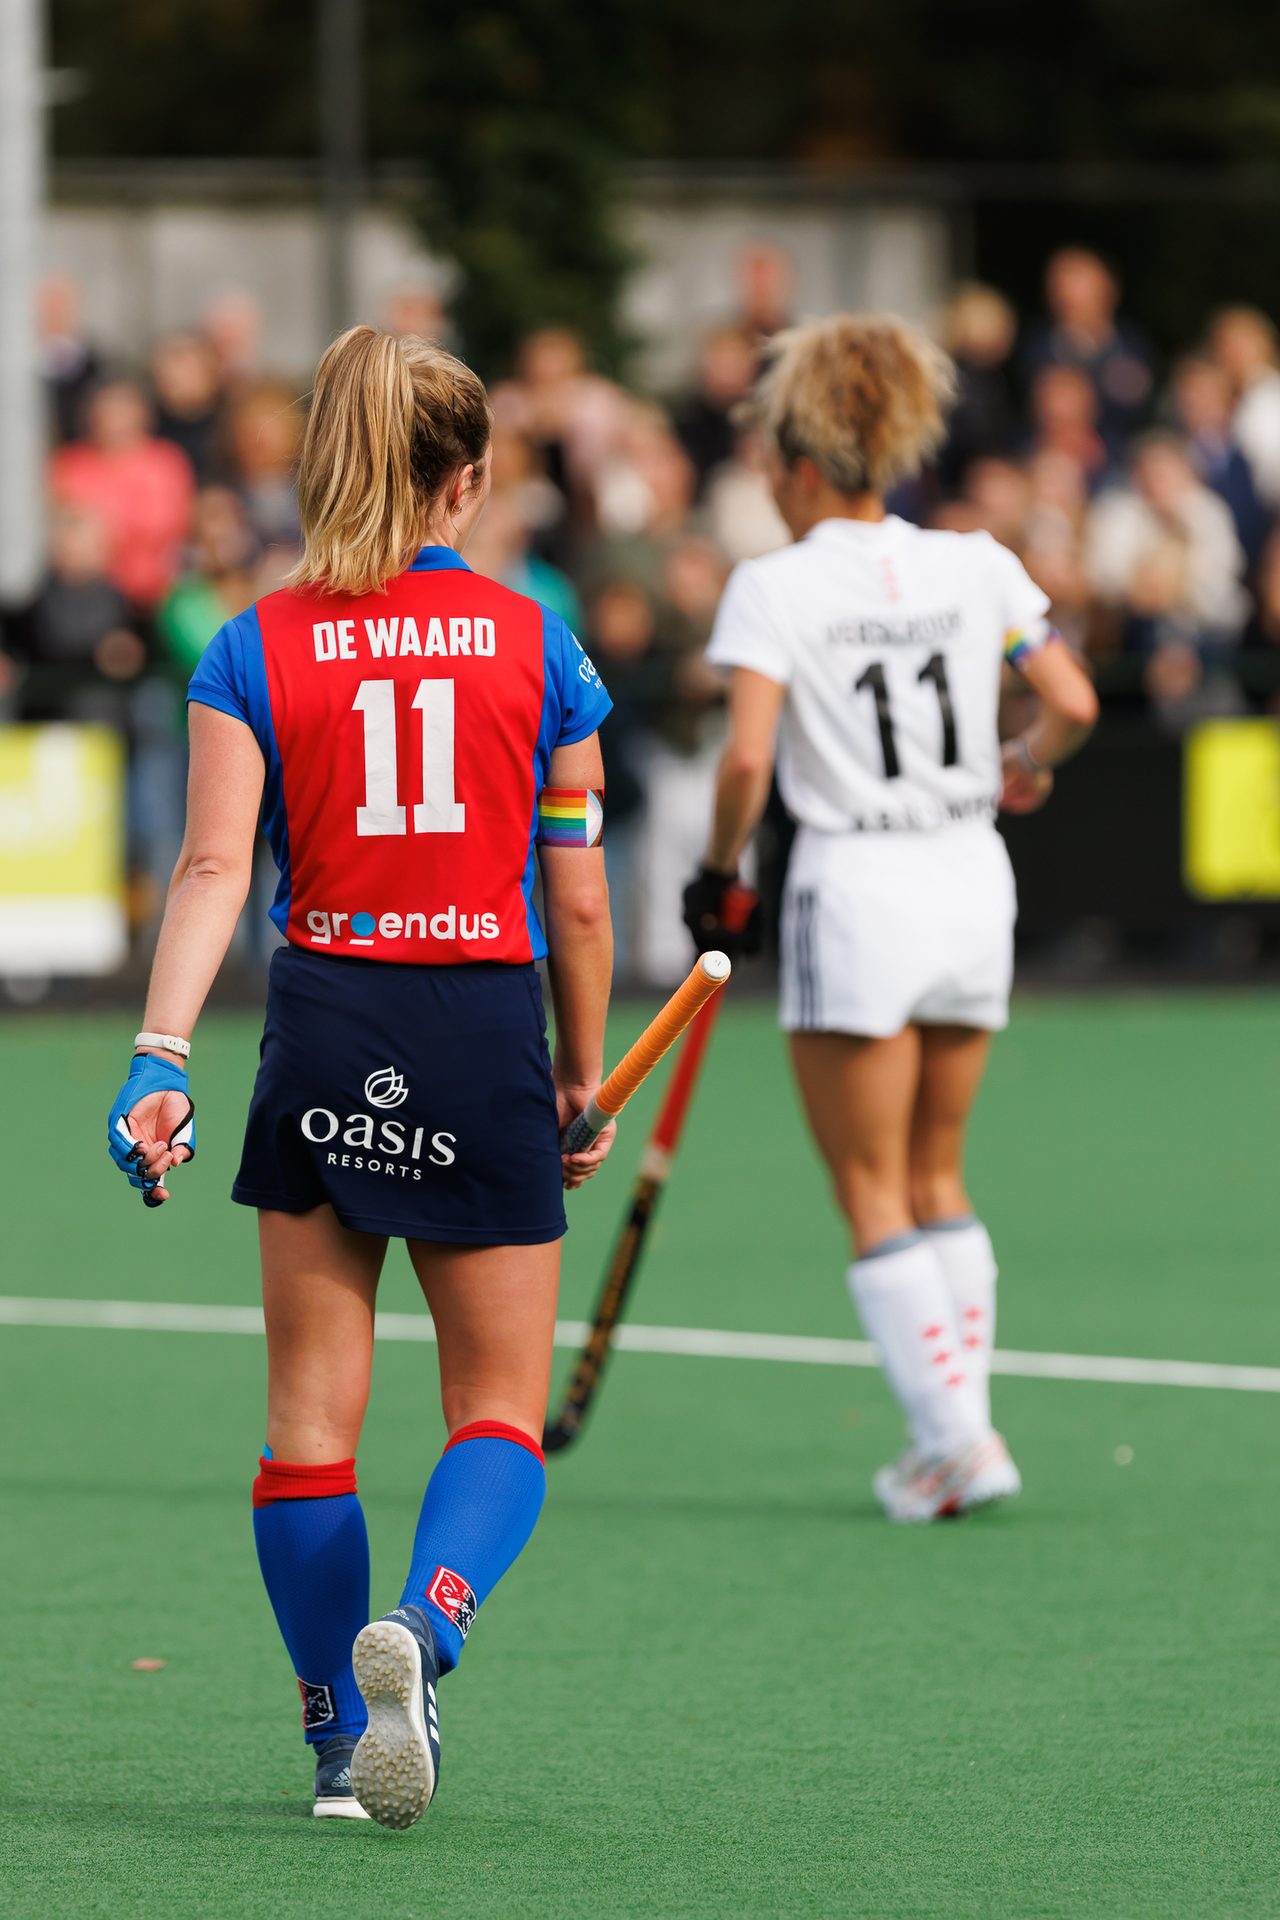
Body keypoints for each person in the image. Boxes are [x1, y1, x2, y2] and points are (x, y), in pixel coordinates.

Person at [106, 326, 615, 1829]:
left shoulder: (248, 643)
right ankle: (431, 1625)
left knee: (307, 1424)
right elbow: (578, 895)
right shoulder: (541, 645)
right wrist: (580, 1077)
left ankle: (339, 1740)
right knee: (498, 1411)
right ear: (465, 481)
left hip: (324, 1021)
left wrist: (159, 1054)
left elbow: (210, 866)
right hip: (478, 1029)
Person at [682, 314, 1098, 1522]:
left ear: (805, 461)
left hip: (856, 888)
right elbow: (1066, 696)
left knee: (869, 1187)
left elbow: (745, 759)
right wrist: (1020, 759)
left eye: (767, 457)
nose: (762, 478)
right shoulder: (973, 560)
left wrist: (718, 874)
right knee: (936, 1173)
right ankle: (952, 1433)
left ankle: (955, 1439)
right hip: (970, 872)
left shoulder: (771, 587)